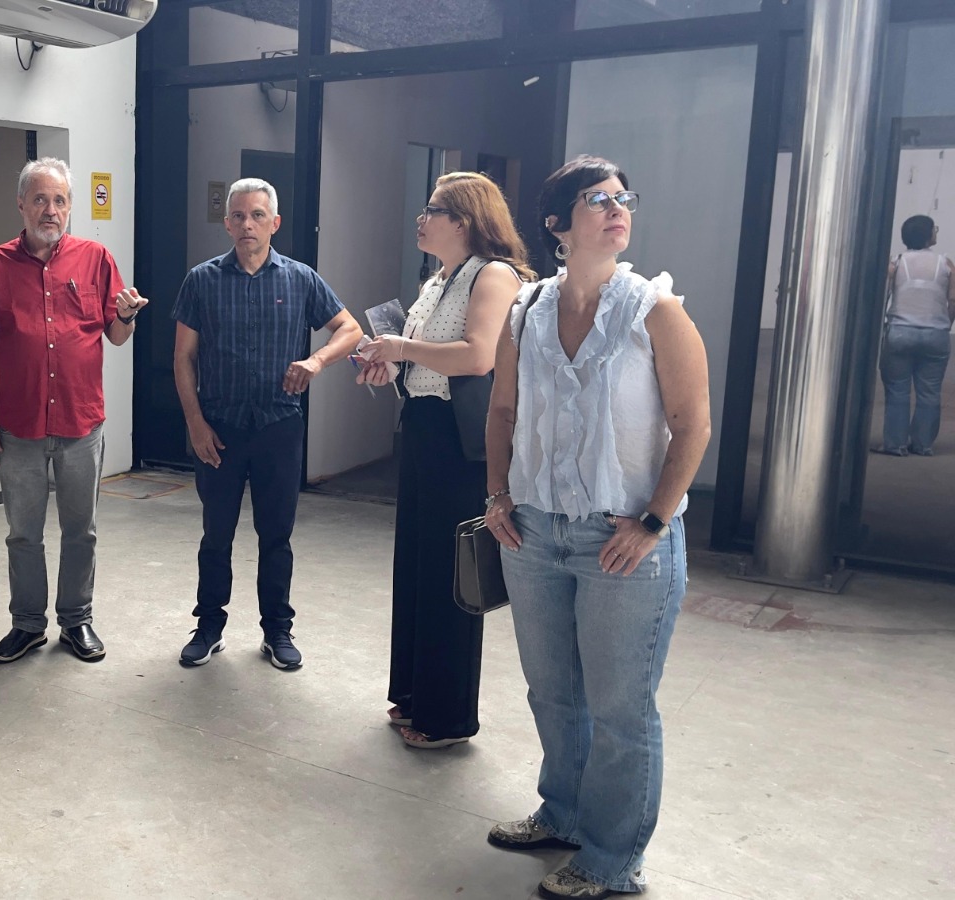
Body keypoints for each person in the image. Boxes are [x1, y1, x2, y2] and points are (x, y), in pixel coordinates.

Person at [481, 156, 711, 898]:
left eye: (623, 198)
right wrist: (498, 495)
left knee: (620, 710)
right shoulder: (526, 311)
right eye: (597, 199)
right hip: (533, 533)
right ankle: (564, 813)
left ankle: (613, 858)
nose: (617, 210)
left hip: (621, 539)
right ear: (557, 223)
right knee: (551, 692)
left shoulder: (656, 311)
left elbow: (692, 425)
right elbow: (503, 411)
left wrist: (654, 521)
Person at [356, 171, 533, 749]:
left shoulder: (493, 274)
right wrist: (390, 365)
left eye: (431, 209)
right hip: (424, 425)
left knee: (452, 574)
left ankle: (448, 717)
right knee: (417, 564)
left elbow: (478, 357)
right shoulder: (438, 279)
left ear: (463, 220)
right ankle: (414, 695)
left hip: (460, 441)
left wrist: (401, 347)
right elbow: (428, 360)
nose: (421, 218)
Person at [172, 177, 363, 670]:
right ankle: (208, 627)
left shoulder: (300, 279)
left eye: (257, 215)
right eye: (238, 215)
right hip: (219, 428)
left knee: (276, 535)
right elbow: (183, 358)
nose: (247, 224)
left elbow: (350, 328)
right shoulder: (202, 280)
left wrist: (316, 361)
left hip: (279, 427)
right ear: (226, 223)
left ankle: (277, 630)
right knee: (216, 534)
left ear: (274, 223)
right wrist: (195, 423)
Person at [0, 157, 147, 664]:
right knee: (23, 534)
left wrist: (127, 316)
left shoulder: (96, 259)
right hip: (19, 426)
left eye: (60, 200)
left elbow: (116, 335)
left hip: (80, 422)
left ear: (70, 206)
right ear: (21, 204)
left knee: (80, 531)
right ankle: (26, 625)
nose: (51, 210)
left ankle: (77, 621)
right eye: (41, 199)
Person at [875, 214, 954, 457]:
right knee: (929, 391)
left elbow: (882, 295)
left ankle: (895, 445)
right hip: (936, 334)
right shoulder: (946, 264)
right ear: (929, 235)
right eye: (934, 229)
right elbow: (953, 300)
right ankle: (922, 444)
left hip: (900, 333)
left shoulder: (896, 262)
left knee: (897, 390)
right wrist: (946, 324)